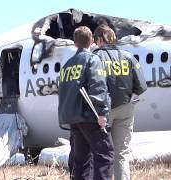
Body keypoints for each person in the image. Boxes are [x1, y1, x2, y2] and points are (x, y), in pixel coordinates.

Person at [58, 26, 114, 180]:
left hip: (74, 119)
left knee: (81, 161)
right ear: (92, 41)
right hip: (90, 116)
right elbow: (98, 87)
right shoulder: (92, 59)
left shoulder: (67, 65)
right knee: (104, 154)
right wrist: (102, 113)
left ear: (75, 43)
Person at [92, 24, 147, 180]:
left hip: (103, 111)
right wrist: (130, 99)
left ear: (100, 39)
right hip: (125, 108)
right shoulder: (128, 56)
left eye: (96, 40)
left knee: (102, 152)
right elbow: (141, 85)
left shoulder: (94, 58)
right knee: (121, 153)